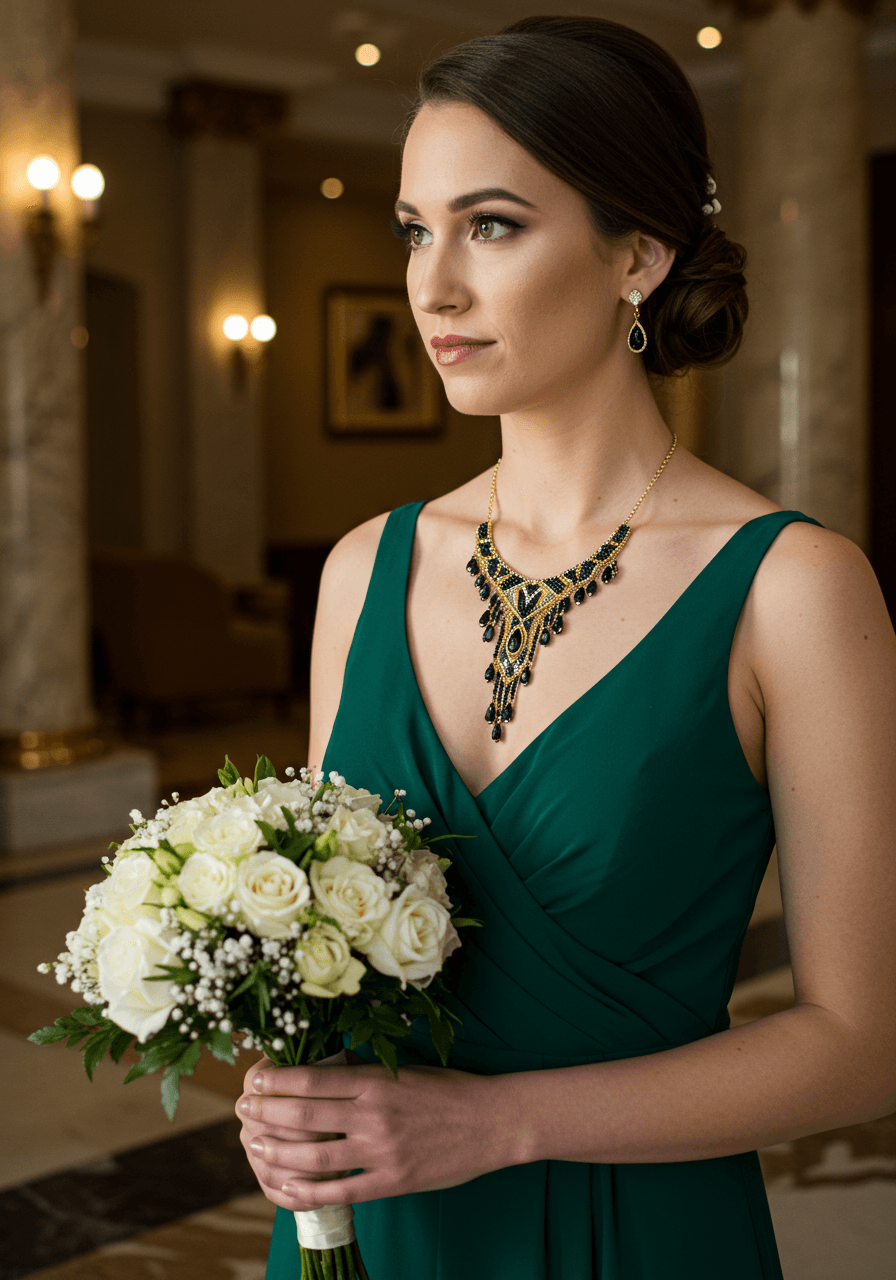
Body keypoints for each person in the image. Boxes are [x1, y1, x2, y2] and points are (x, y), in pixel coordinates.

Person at [238, 15, 896, 1278]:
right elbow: (320, 947)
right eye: (413, 228)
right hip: (372, 1228)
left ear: (637, 253)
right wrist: (286, 1090)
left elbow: (860, 1043)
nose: (431, 285)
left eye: (490, 224)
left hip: (635, 1232)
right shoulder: (362, 569)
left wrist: (495, 1122)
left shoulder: (795, 588)